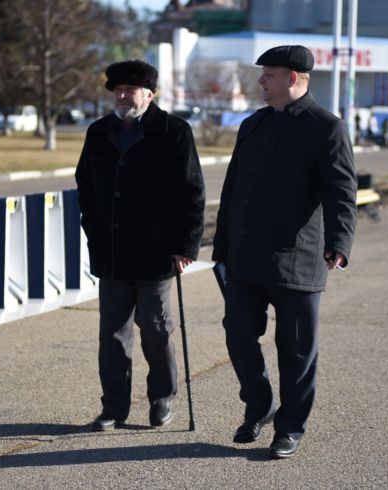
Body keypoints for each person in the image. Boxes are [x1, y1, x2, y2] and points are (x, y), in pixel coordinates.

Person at [212, 45, 357, 459]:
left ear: (293, 78)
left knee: (295, 350)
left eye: (269, 75)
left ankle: (289, 427)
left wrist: (339, 243)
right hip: (245, 257)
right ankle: (259, 404)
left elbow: (342, 193)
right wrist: (222, 246)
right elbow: (233, 190)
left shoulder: (326, 127)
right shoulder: (253, 124)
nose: (261, 81)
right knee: (238, 334)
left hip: (299, 258)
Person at [75, 60, 205, 431]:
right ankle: (113, 407)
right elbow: (85, 184)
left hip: (157, 254)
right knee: (113, 336)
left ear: (149, 94)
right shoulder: (99, 132)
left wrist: (186, 246)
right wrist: (94, 226)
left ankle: (162, 398)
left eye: (129, 90)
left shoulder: (174, 131)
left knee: (156, 329)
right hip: (112, 253)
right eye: (116, 90)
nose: (121, 96)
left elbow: (192, 191)